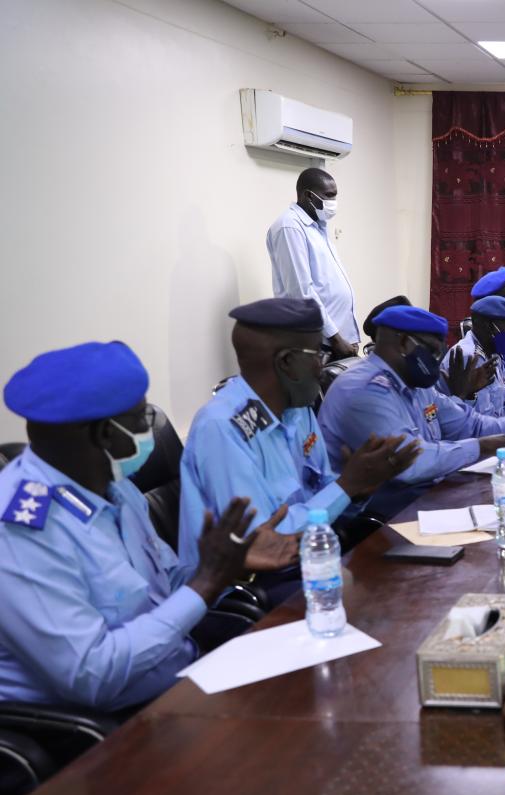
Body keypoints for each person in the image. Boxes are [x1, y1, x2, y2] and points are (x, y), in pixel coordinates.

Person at [0, 342, 283, 710]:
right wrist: (205, 583)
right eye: (141, 418)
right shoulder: (21, 530)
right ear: (105, 433)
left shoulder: (115, 487)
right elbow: (90, 677)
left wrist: (228, 564)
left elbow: (165, 587)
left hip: (181, 674)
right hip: (107, 725)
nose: (150, 427)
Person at [178, 298, 420, 592]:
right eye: (318, 353)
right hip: (249, 587)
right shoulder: (223, 428)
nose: (322, 367)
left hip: (309, 558)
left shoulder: (298, 409)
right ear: (286, 362)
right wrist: (347, 486)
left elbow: (325, 498)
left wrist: (359, 491)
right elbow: (264, 543)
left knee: (412, 575)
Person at [318, 305, 505, 515]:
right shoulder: (365, 390)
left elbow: (471, 424)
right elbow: (411, 462)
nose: (437, 361)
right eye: (432, 352)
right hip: (380, 516)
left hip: (424, 497)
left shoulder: (413, 383)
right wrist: (481, 446)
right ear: (404, 343)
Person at [267, 167, 360, 359]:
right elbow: (301, 292)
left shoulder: (317, 226)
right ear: (309, 195)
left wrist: (347, 335)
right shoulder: (290, 226)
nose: (333, 202)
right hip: (317, 342)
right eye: (329, 195)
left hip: (335, 341)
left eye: (335, 196)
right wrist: (335, 338)